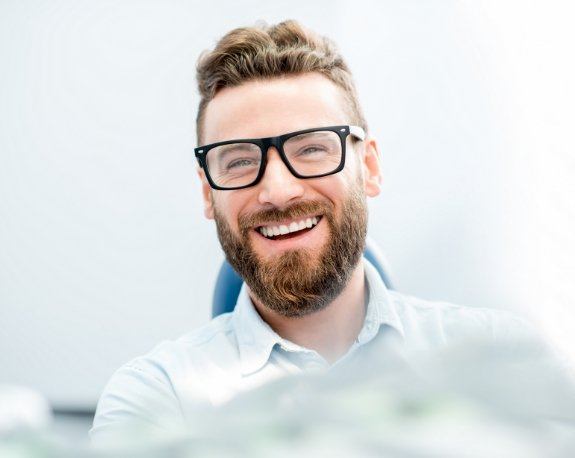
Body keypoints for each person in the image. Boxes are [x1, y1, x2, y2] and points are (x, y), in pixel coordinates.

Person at [90, 19, 541, 444]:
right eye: (240, 160)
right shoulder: (157, 399)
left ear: (369, 167)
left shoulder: (502, 359)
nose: (278, 191)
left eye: (311, 149)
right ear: (208, 194)